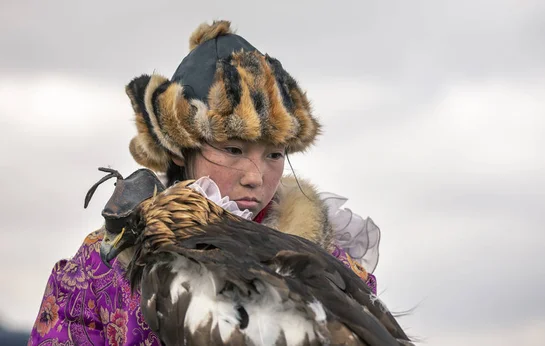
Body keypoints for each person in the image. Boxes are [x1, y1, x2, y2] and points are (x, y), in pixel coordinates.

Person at [28, 20, 382, 346]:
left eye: (274, 154)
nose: (255, 177)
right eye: (233, 149)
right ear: (182, 149)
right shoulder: (98, 269)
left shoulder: (332, 267)